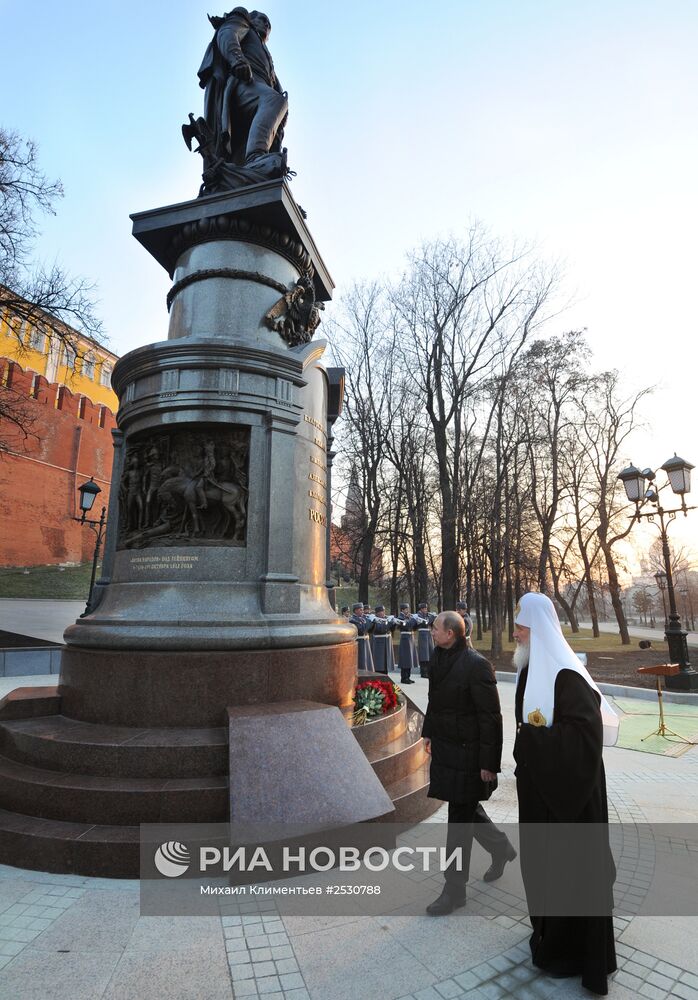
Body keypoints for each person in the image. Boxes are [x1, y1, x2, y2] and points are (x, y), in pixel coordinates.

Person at [513, 592, 618, 996]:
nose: (517, 633)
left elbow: (584, 737)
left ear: (539, 630)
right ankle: (547, 937)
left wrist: (531, 743)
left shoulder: (567, 675)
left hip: (571, 800)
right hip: (542, 795)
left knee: (569, 874)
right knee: (542, 869)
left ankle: (571, 954)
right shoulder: (529, 671)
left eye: (522, 627)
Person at [422, 611, 516, 915]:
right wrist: (429, 733)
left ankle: (454, 890)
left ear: (451, 633)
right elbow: (434, 701)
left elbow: (491, 719)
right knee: (466, 810)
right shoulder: (438, 657)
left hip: (469, 755)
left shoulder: (477, 666)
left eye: (436, 628)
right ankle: (501, 847)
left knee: (458, 822)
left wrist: (489, 763)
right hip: (447, 750)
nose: (432, 632)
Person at [197, 8, 288, 167]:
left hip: (259, 89)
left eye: (269, 24)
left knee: (276, 101)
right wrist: (237, 60)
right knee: (274, 101)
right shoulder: (242, 22)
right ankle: (256, 156)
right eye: (262, 19)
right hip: (244, 82)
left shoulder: (267, 55)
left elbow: (274, 83)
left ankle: (250, 168)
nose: (266, 24)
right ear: (251, 20)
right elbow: (227, 34)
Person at [395, 604, 419, 685]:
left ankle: (408, 677)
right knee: (405, 659)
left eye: (407, 609)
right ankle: (404, 677)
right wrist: (413, 620)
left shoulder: (408, 617)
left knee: (409, 659)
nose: (407, 610)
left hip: (410, 638)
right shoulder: (400, 618)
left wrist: (416, 622)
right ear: (402, 610)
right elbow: (407, 625)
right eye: (406, 609)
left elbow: (414, 627)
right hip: (405, 639)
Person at [370, 606, 397, 675]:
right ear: (377, 613)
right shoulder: (375, 620)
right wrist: (390, 623)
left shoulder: (386, 619)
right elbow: (381, 629)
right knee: (379, 663)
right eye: (381, 611)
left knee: (386, 662)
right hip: (379, 644)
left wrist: (394, 623)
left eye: (383, 611)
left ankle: (386, 675)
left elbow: (391, 629)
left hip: (387, 642)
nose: (383, 613)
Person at [349, 602, 374, 672]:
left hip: (366, 641)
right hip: (360, 642)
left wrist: (373, 622)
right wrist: (369, 621)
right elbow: (362, 630)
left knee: (367, 660)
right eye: (360, 610)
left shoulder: (363, 618)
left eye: (362, 610)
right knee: (362, 660)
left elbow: (370, 630)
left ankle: (368, 672)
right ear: (355, 610)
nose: (363, 611)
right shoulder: (353, 620)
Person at [416, 602, 436, 678]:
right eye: (424, 608)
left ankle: (428, 671)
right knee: (424, 654)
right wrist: (431, 618)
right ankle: (423, 672)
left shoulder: (427, 615)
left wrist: (434, 618)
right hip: (422, 634)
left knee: (429, 653)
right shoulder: (418, 615)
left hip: (428, 634)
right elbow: (425, 622)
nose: (426, 610)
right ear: (421, 609)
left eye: (426, 608)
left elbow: (431, 624)